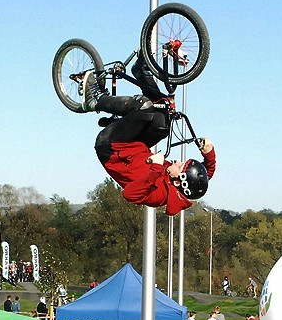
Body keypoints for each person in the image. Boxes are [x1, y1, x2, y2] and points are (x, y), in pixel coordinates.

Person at [83, 64, 216, 216]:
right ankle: (142, 73)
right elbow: (206, 174)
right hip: (135, 146)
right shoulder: (187, 183)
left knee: (143, 106)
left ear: (178, 182)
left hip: (112, 149)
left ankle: (95, 100)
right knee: (162, 122)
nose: (177, 162)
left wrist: (156, 169)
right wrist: (209, 153)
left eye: (180, 166)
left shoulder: (159, 196)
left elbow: (129, 195)